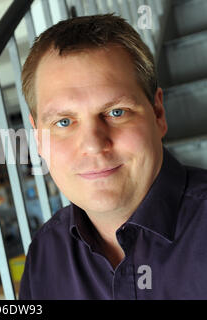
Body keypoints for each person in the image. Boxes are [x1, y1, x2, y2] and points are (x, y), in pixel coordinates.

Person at [19, 14, 207, 299]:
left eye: (116, 112)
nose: (93, 145)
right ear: (38, 138)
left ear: (158, 114)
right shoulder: (45, 253)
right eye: (64, 122)